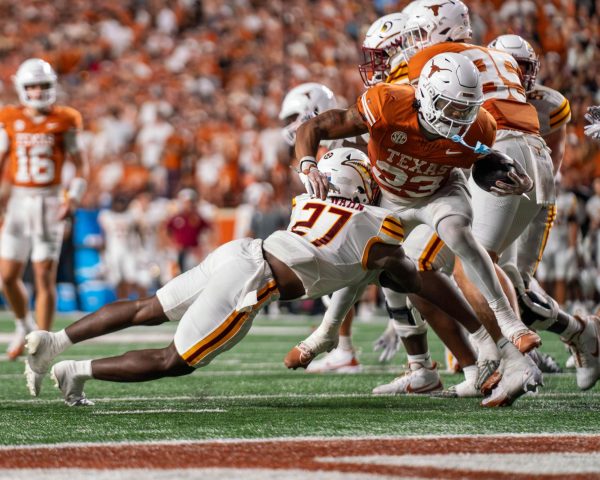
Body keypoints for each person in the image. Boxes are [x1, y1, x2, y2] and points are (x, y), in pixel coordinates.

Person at [24, 148, 425, 406]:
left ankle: (55, 341)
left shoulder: (307, 201)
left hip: (241, 251)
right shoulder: (371, 224)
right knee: (174, 360)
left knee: (148, 308)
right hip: (253, 277)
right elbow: (397, 271)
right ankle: (73, 370)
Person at [293, 51, 542, 407]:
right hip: (390, 199)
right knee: (367, 265)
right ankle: (327, 334)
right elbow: (313, 127)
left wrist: (505, 174)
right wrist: (307, 163)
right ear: (424, 94)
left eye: (463, 109)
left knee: (457, 232)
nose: (457, 118)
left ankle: (508, 322)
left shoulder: (479, 123)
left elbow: (481, 163)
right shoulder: (386, 102)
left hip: (437, 193)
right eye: (449, 107)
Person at [0, 58, 88, 359]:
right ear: (22, 88)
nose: (37, 91)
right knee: (7, 276)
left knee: (43, 274)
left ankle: (44, 344)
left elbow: (81, 167)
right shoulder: (8, 117)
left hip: (50, 200)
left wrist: (72, 198)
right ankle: (24, 324)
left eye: (42, 85)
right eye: (32, 86)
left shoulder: (66, 118)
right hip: (17, 201)